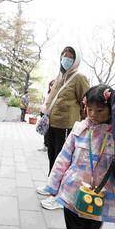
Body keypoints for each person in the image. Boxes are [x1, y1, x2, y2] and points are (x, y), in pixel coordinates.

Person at [44, 85, 115, 229]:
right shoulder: (79, 129)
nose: (93, 114)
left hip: (100, 196)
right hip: (72, 191)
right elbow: (63, 158)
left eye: (100, 110)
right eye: (89, 109)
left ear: (112, 110)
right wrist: (53, 185)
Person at [37, 46, 90, 210]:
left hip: (67, 125)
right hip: (52, 123)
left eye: (69, 57)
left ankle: (60, 195)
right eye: (63, 56)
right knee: (52, 154)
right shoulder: (60, 76)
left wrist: (84, 123)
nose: (65, 59)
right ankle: (51, 185)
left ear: (76, 61)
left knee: (63, 161)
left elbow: (86, 101)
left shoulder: (79, 77)